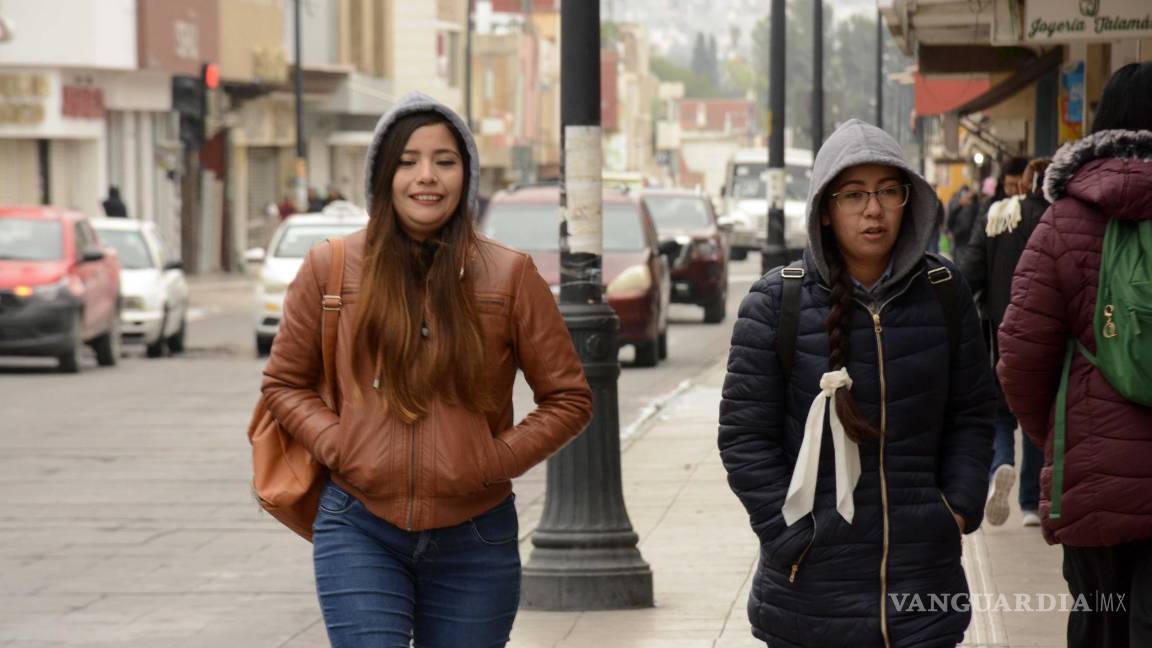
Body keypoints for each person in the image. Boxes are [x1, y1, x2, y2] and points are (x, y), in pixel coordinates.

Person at [261, 92, 594, 647]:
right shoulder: (330, 267)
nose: (427, 176)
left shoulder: (509, 275)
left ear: (466, 174)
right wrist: (340, 444)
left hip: (476, 535)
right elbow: (284, 383)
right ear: (383, 174)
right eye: (408, 160)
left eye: (445, 161)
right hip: (359, 524)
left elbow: (568, 397)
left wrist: (495, 458)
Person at [719, 119, 995, 647]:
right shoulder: (777, 303)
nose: (874, 209)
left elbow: (973, 412)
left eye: (888, 191)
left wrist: (955, 508)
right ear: (825, 208)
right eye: (854, 195)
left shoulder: (944, 291)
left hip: (923, 589)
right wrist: (790, 536)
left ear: (908, 200)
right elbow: (743, 438)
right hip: (809, 593)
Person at [997, 61, 1152, 648]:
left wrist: (1057, 437)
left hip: (1092, 476)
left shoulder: (1064, 220)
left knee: (1098, 622)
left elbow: (1021, 355)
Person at [957, 158, 1050, 529]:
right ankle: (1030, 502)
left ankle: (1001, 464)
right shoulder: (1056, 216)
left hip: (1001, 328)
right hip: (1046, 331)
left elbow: (969, 270)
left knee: (999, 409)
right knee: (1035, 413)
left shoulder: (997, 217)